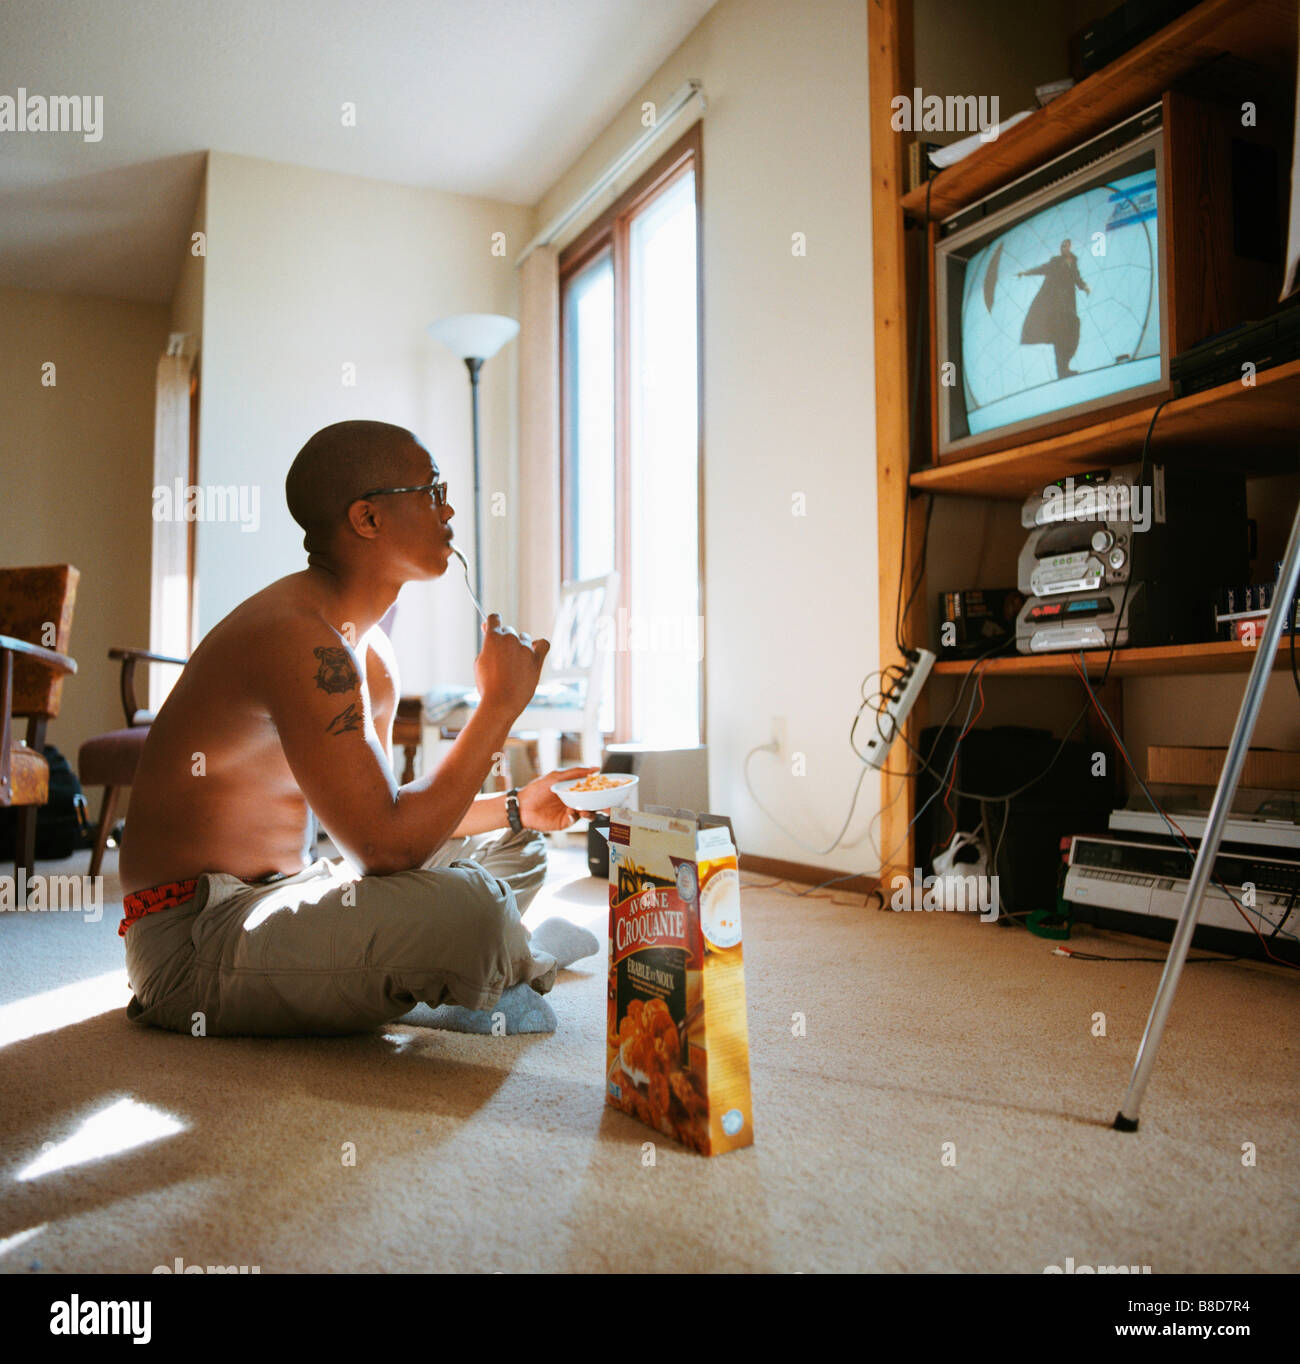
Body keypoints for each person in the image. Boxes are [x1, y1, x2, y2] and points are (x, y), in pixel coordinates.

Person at [119, 419, 600, 1037]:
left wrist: (518, 806)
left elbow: (389, 820)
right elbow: (386, 848)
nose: (449, 506)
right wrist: (497, 709)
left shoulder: (369, 654)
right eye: (432, 489)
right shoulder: (297, 636)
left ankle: (469, 964)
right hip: (192, 942)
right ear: (368, 519)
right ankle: (500, 960)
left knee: (519, 843)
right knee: (471, 908)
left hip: (293, 893)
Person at [1017, 238, 1091, 379]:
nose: (1063, 248)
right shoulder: (1055, 261)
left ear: (1070, 247)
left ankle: (1065, 366)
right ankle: (1062, 371)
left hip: (1069, 304)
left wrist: (1084, 286)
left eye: (1066, 246)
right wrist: (1026, 273)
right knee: (1059, 336)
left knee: (1073, 329)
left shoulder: (1073, 262)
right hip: (1056, 305)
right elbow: (1042, 269)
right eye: (1062, 246)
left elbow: (1077, 278)